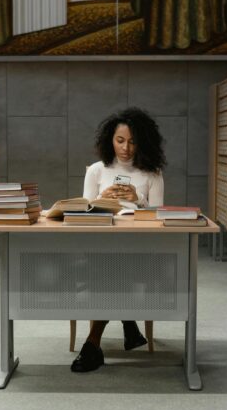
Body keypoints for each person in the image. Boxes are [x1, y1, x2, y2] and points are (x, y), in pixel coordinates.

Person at [71, 107, 166, 373]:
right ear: (109, 140)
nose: (126, 148)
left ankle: (93, 344)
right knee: (111, 268)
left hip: (139, 247)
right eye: (120, 140)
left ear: (143, 142)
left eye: (133, 141)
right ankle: (127, 322)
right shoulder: (97, 171)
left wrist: (139, 199)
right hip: (102, 244)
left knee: (111, 272)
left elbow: (158, 217)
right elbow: (84, 211)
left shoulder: (152, 173)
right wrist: (102, 201)